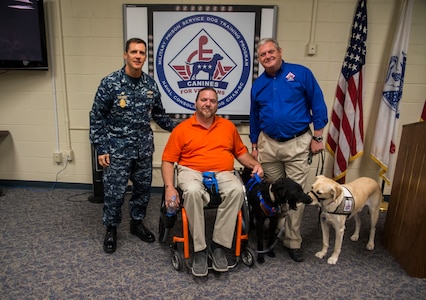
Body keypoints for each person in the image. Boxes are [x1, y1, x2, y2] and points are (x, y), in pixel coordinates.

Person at [161, 87, 263, 277]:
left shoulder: (228, 127)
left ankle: (219, 246)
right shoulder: (182, 129)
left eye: (212, 101)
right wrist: (169, 187)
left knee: (237, 190)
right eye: (204, 100)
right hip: (191, 171)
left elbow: (240, 153)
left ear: (217, 105)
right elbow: (167, 160)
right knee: (191, 191)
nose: (208, 104)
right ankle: (199, 249)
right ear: (196, 103)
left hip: (222, 172)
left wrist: (255, 164)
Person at [90, 38, 175, 254]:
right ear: (125, 55)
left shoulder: (150, 85)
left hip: (143, 150)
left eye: (142, 52)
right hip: (116, 151)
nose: (138, 56)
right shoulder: (110, 83)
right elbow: (96, 116)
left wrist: (183, 127)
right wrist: (101, 148)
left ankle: (137, 224)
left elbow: (159, 115)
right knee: (114, 193)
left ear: (145, 57)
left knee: (142, 191)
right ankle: (111, 229)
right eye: (134, 52)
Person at [250, 38, 328, 262]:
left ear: (280, 51)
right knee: (272, 194)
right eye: (263, 54)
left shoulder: (301, 73)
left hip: (297, 143)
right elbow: (254, 116)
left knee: (295, 193)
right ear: (260, 59)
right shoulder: (258, 84)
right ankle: (274, 230)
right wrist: (254, 146)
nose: (267, 56)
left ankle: (292, 240)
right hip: (268, 145)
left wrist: (318, 136)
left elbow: (318, 103)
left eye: (271, 52)